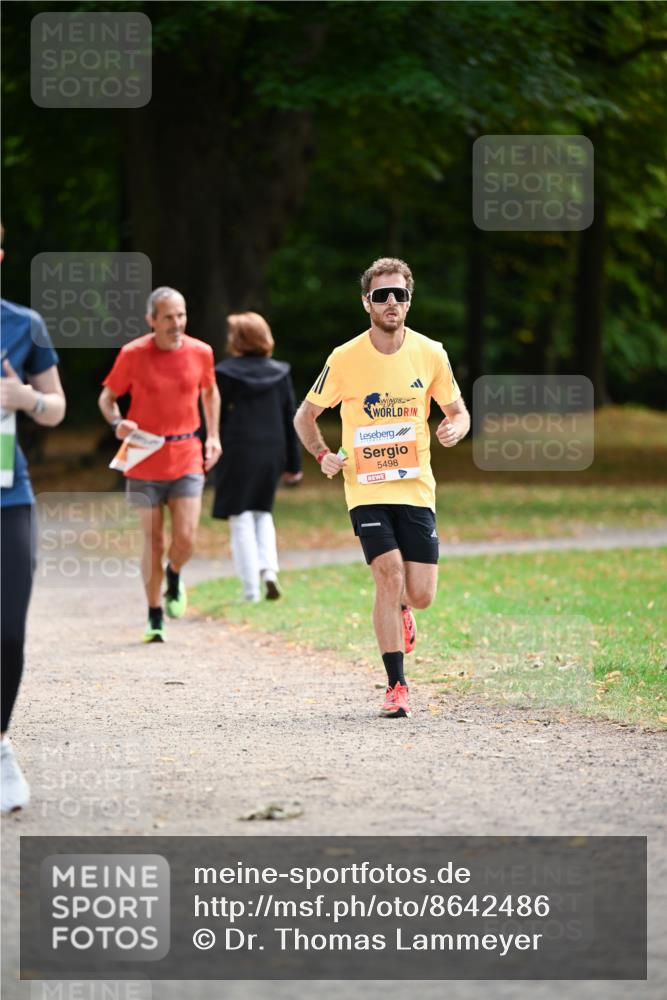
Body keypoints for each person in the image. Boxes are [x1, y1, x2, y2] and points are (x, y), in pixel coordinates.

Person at [294, 257, 469, 719]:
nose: (391, 302)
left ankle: (404, 609)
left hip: (415, 489)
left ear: (410, 302)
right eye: (381, 295)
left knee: (421, 592)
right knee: (387, 574)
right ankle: (397, 685)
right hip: (366, 488)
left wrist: (456, 427)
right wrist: (322, 454)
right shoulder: (345, 357)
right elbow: (305, 416)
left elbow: (458, 411)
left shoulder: (431, 353)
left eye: (400, 295)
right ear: (366, 303)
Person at [98, 287, 221, 642]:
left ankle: (175, 572)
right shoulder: (133, 354)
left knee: (185, 538)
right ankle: (154, 614)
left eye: (181, 315)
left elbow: (210, 392)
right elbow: (107, 399)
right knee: (152, 541)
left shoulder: (201, 352)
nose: (176, 323)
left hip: (186, 454)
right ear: (151, 320)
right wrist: (116, 422)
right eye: (168, 317)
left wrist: (213, 436)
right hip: (142, 457)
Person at [1, 229, 67, 812]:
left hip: (6, 494)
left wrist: (25, 399)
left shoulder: (24, 324)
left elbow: (57, 407)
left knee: (9, 630)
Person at [212, 312, 302, 601]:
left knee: (240, 518)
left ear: (239, 339)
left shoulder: (224, 374)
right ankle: (269, 572)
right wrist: (293, 464)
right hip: (272, 449)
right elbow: (290, 418)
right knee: (263, 512)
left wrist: (209, 448)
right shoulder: (281, 372)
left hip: (237, 448)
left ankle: (250, 590)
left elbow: (214, 416)